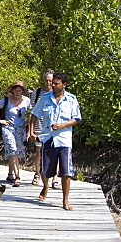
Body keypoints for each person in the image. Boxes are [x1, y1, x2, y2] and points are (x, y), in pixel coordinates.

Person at [28, 71, 82, 211]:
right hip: (48, 137)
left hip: (64, 139)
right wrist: (31, 131)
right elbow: (34, 114)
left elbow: (76, 118)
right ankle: (45, 186)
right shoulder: (45, 98)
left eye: (56, 84)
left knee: (66, 171)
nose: (53, 85)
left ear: (64, 85)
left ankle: (65, 201)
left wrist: (62, 125)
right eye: (52, 83)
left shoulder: (71, 99)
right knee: (45, 170)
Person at [0, 81, 30, 186]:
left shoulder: (27, 100)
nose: (18, 93)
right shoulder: (6, 100)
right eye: (16, 90)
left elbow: (34, 112)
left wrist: (28, 121)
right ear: (12, 90)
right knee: (12, 149)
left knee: (17, 152)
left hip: (20, 128)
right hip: (8, 127)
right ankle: (17, 176)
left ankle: (10, 174)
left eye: (20, 90)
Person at [29, 69, 55, 185]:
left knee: (55, 151)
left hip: (53, 126)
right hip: (39, 125)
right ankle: (37, 174)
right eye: (46, 80)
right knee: (39, 151)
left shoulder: (58, 92)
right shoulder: (37, 92)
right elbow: (33, 112)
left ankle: (54, 178)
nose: (48, 83)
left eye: (50, 80)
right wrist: (30, 130)